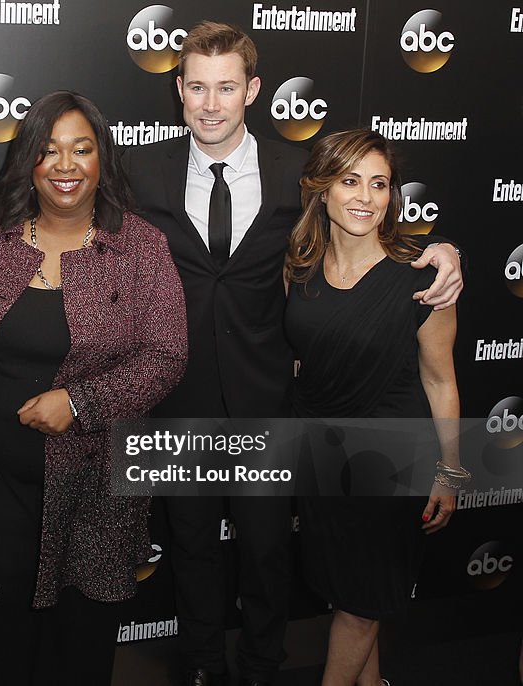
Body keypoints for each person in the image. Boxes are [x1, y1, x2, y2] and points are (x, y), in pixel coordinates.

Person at [120, 21, 464, 686]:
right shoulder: (141, 170)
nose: (211, 103)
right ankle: (202, 667)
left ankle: (260, 669)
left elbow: (364, 227)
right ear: (179, 91)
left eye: (226, 87)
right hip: (177, 399)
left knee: (268, 553)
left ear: (252, 89)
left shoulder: (298, 174)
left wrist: (447, 253)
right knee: (190, 549)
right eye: (197, 87)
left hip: (272, 401)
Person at [0, 90, 187, 686]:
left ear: (102, 160)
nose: (65, 165)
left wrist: (81, 403)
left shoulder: (138, 246)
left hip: (93, 490)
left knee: (78, 651)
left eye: (81, 150)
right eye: (49, 150)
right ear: (28, 160)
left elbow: (167, 355)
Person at [284, 128, 465, 686]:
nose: (365, 196)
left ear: (393, 196)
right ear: (323, 189)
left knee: (361, 607)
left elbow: (441, 382)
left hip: (391, 464)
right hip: (321, 460)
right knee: (353, 592)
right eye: (350, 180)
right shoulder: (299, 269)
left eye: (379, 184)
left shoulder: (423, 280)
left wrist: (451, 471)